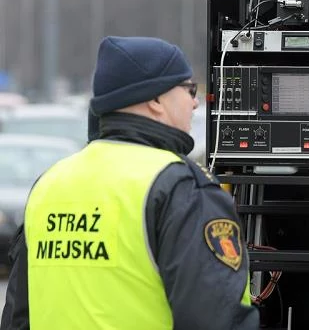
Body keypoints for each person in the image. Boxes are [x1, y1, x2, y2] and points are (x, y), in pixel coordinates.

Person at [1, 36, 259, 330]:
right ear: (156, 99)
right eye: (189, 89)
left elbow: (17, 317)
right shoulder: (180, 187)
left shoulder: (50, 184)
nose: (196, 102)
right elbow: (216, 319)